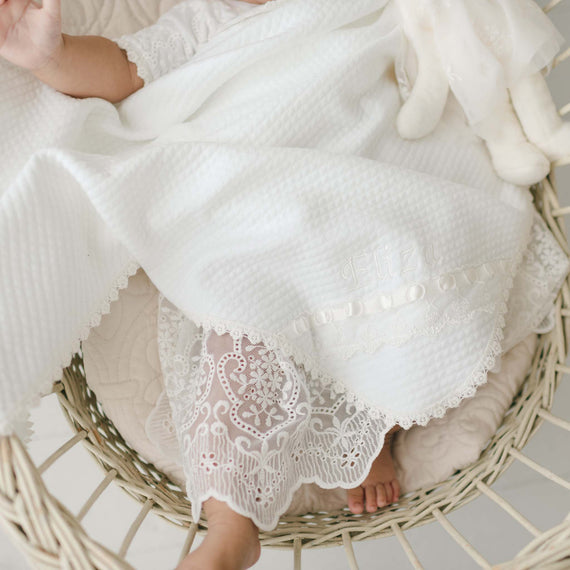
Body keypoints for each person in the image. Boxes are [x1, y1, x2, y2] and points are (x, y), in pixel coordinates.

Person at [0, 0, 565, 568]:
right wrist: (54, 55)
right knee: (243, 332)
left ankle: (371, 425)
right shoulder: (206, 18)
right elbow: (124, 71)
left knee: (411, 260)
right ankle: (230, 524)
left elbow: (441, 56)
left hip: (375, 175)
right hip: (262, 203)